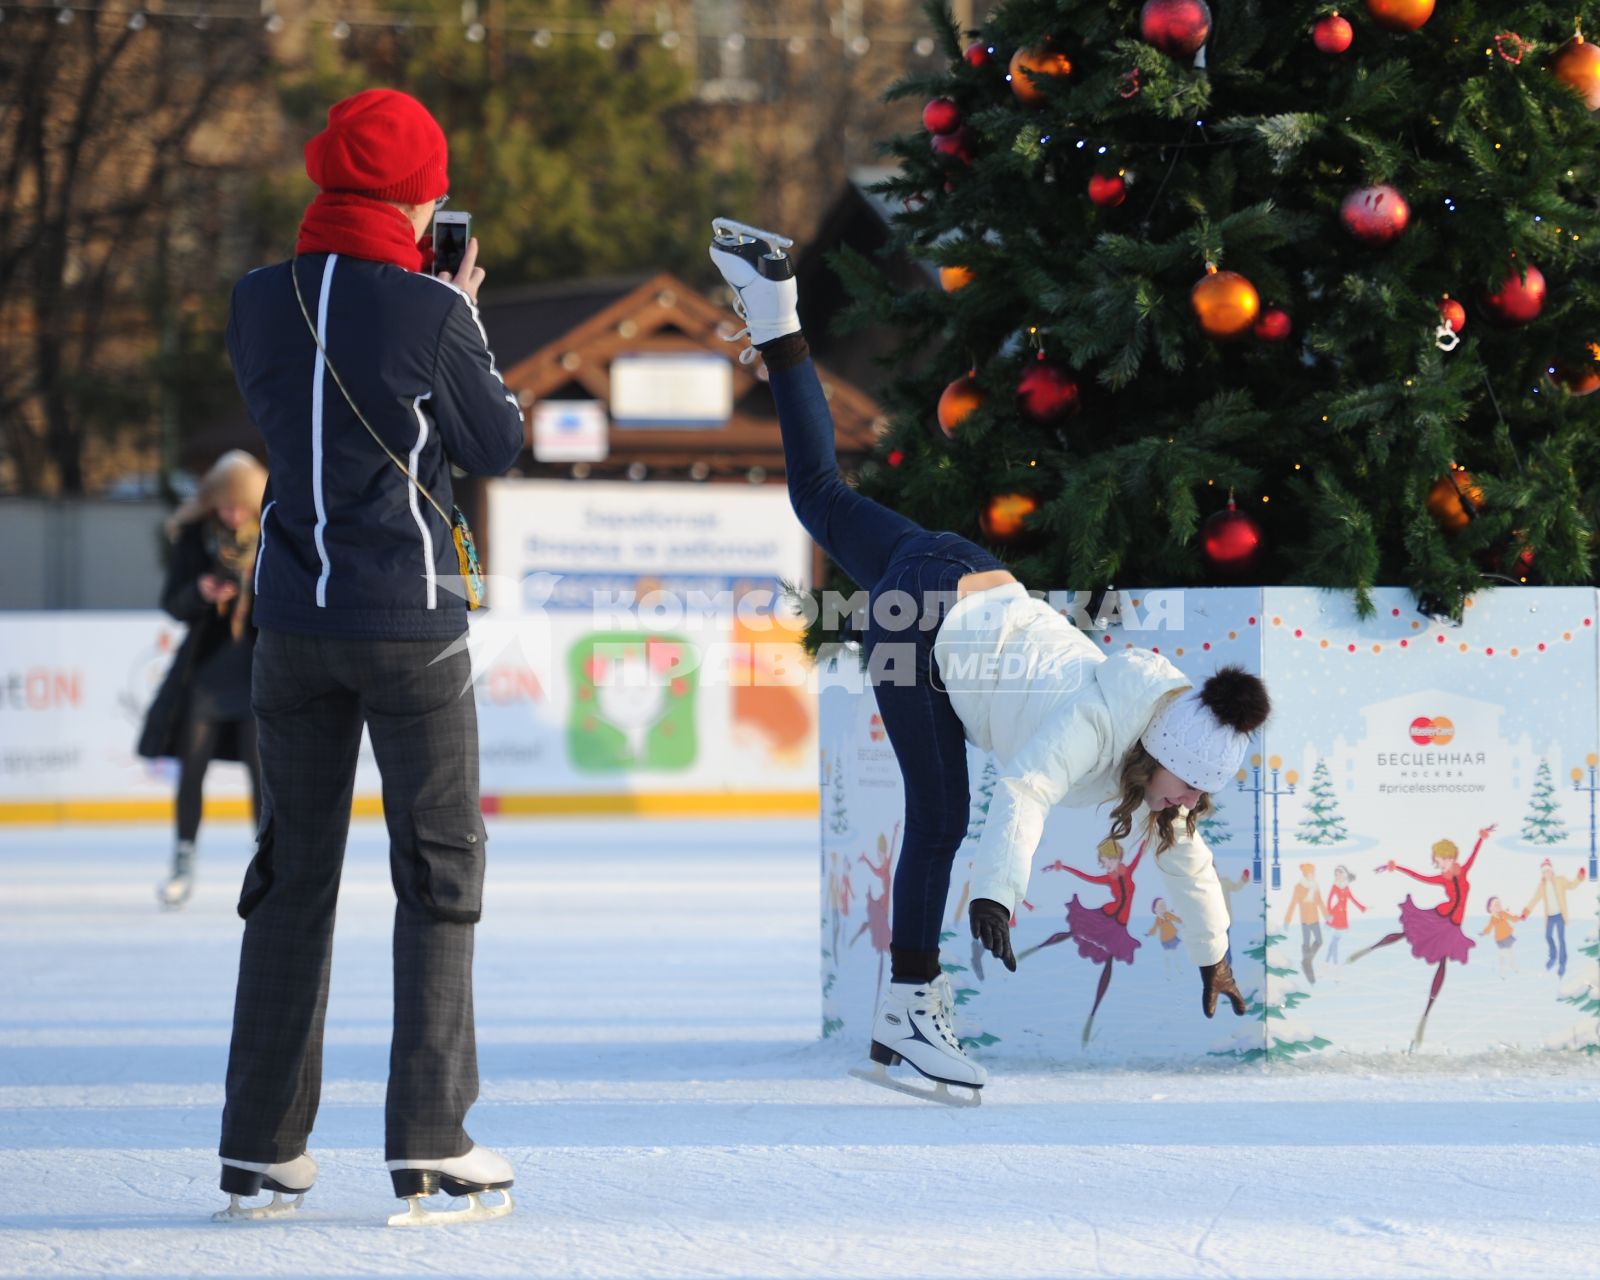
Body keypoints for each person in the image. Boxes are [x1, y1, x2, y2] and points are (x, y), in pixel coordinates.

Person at [709, 223, 1269, 1098]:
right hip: (926, 625)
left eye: (1197, 796)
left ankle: (775, 308)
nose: (1190, 807)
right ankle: (907, 1013)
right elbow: (1028, 790)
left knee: (820, 499)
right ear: (1166, 757)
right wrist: (996, 896)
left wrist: (1216, 957)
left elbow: (1185, 860)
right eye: (1190, 788)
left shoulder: (1161, 740)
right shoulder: (1098, 723)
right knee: (941, 817)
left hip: (967, 572)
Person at [213, 89, 524, 1223]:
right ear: (415, 195)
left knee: (289, 876)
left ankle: (260, 1146)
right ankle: (432, 1137)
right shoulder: (427, 309)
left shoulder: (255, 300)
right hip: (411, 623)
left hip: (293, 621)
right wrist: (461, 317)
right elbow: (497, 440)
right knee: (439, 872)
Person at [138, 450, 268, 909]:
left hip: (257, 678)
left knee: (263, 775)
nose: (231, 515)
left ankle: (268, 866)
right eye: (223, 505)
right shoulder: (195, 537)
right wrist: (200, 591)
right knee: (190, 771)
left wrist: (257, 588)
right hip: (206, 675)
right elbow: (172, 602)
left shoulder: (274, 535)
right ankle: (183, 861)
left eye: (240, 505)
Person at [1349, 826, 1495, 1051]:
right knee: (1408, 932)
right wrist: (1396, 867)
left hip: (1452, 924)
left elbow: (1474, 854)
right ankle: (1370, 948)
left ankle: (1425, 1016)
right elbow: (1420, 876)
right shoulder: (1442, 878)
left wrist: (1481, 838)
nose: (1439, 865)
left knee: (1442, 962)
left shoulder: (1462, 870)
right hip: (1441, 916)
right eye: (1437, 861)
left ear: (1450, 857)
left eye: (1441, 860)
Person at [1521, 858, 1587, 978]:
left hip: (1560, 915)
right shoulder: (1542, 886)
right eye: (1544, 872)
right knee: (1548, 936)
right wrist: (1526, 911)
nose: (1546, 874)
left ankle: (1562, 963)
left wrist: (1579, 877)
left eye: (1548, 871)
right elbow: (1535, 899)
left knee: (1561, 939)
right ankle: (1553, 956)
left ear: (1552, 871)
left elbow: (1572, 885)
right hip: (1550, 917)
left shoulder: (1560, 880)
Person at [1282, 862, 1326, 984]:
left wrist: (1327, 916)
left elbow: (1320, 902)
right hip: (1305, 920)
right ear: (1305, 874)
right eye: (1310, 873)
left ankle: (1306, 961)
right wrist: (1287, 920)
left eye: (1313, 873)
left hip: (1315, 919)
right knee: (1306, 944)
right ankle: (1309, 974)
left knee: (1319, 941)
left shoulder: (1315, 886)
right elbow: (1293, 903)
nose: (1312, 875)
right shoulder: (1299, 887)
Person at [1323, 864, 1365, 971]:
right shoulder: (1335, 886)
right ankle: (1333, 964)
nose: (1338, 876)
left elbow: (1352, 899)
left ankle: (1327, 963)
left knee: (1335, 940)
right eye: (1336, 875)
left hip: (1343, 917)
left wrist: (1362, 908)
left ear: (1344, 875)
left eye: (1340, 874)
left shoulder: (1346, 887)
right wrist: (1328, 915)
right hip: (1335, 915)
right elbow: (1328, 901)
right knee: (1335, 940)